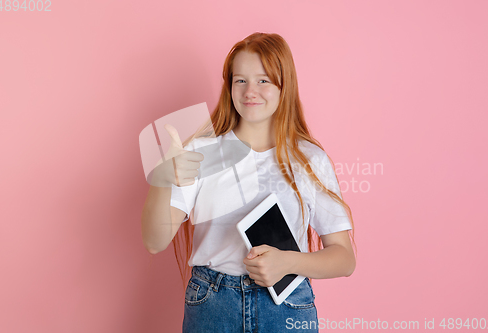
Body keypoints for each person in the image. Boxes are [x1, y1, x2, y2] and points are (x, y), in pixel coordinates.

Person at [141, 32, 356, 333]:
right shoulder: (200, 152)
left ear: (285, 86)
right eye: (240, 80)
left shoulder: (310, 159)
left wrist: (287, 262)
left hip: (286, 308)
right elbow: (154, 242)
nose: (250, 91)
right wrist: (161, 181)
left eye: (263, 80)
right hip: (212, 305)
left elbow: (344, 258)